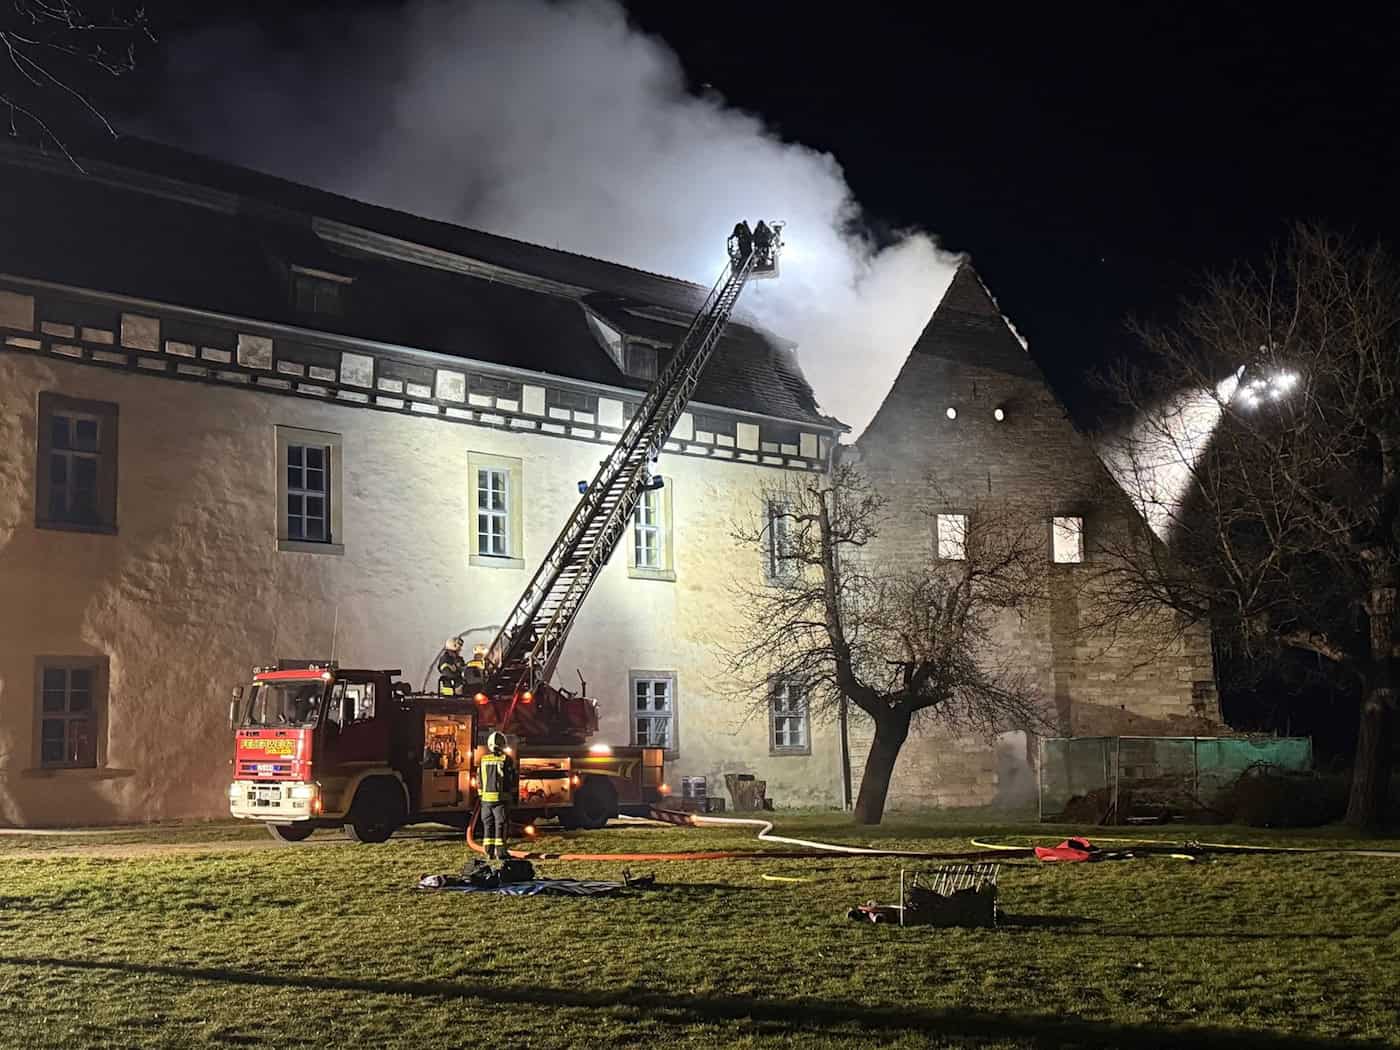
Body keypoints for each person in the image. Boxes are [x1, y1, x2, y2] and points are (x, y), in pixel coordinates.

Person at [477, 730, 517, 861]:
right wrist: (512, 794)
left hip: (486, 800)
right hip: (501, 799)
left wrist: (481, 795)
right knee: (501, 825)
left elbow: (479, 779)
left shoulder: (483, 759)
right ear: (503, 744)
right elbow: (510, 779)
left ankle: (488, 852)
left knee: (488, 826)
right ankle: (501, 852)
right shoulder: (506, 759)